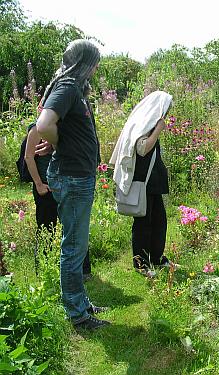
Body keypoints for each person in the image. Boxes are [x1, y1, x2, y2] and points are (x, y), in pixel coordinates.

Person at [36, 39, 109, 330]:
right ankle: (77, 315)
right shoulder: (67, 87)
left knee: (76, 246)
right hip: (73, 176)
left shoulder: (74, 89)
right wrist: (58, 143)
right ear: (83, 62)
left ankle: (80, 302)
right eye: (94, 61)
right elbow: (43, 125)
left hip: (77, 175)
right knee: (74, 247)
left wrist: (59, 144)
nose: (97, 67)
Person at [110, 91, 173, 278]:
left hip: (153, 181)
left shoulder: (149, 121)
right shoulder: (144, 123)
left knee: (159, 221)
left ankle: (156, 258)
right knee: (143, 223)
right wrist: (158, 129)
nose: (167, 112)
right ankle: (141, 263)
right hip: (143, 181)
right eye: (166, 108)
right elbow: (143, 148)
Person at [25, 121, 92, 279]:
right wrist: (39, 184)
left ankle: (84, 270)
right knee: (46, 228)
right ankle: (43, 270)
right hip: (46, 189)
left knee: (74, 226)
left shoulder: (66, 128)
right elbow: (29, 157)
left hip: (67, 185)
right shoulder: (36, 129)